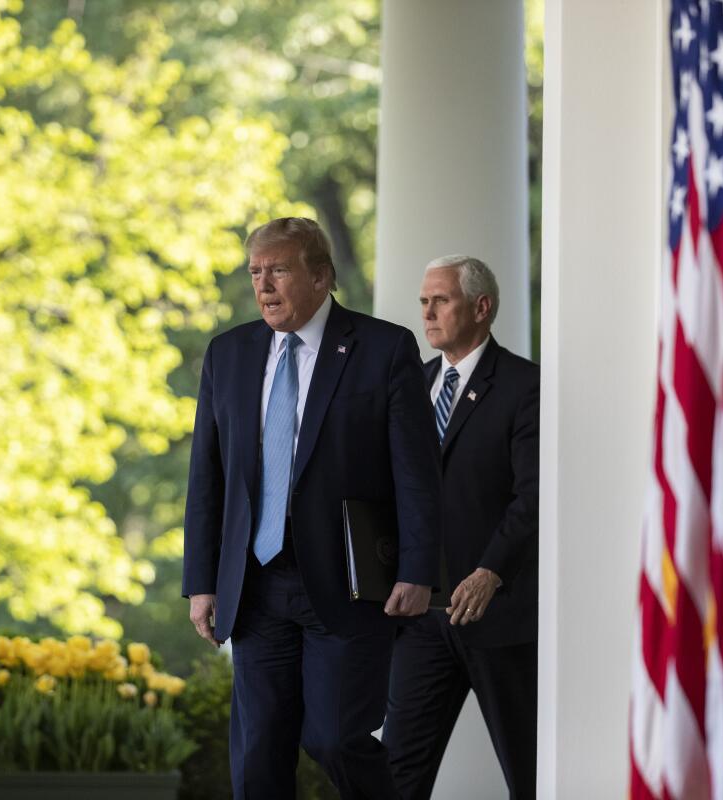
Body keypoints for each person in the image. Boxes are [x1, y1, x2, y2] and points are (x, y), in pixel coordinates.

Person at [183, 217, 442, 799]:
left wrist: (419, 571)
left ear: (321, 276)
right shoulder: (228, 355)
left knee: (334, 739)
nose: (264, 284)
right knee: (257, 759)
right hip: (255, 586)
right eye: (255, 272)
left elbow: (417, 474)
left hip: (348, 583)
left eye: (278, 270)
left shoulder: (383, 348)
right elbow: (209, 478)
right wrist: (203, 580)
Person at [382, 255, 539, 799]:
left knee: (530, 774)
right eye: (423, 301)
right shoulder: (413, 385)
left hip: (503, 619)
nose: (426, 312)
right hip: (424, 620)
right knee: (396, 775)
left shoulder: (525, 386)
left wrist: (491, 570)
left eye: (440, 300)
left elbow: (533, 496)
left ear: (481, 307)